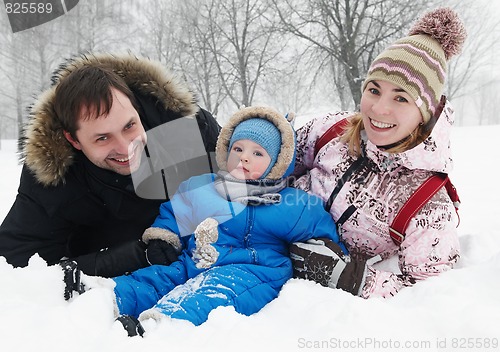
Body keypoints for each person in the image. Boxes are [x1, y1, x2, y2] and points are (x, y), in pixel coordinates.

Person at [65, 106, 346, 336]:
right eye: (238, 148)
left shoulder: (291, 203)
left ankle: (159, 326)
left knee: (208, 295)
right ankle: (105, 297)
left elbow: (321, 232)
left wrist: (331, 259)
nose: (244, 158)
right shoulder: (206, 187)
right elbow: (178, 211)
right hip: (198, 259)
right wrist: (164, 236)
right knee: (162, 277)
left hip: (254, 271)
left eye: (257, 153)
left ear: (277, 162)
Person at [289, 8, 466, 298]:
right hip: (256, 240)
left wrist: (347, 276)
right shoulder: (333, 130)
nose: (379, 108)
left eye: (400, 97)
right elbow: (273, 163)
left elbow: (428, 294)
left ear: (425, 112)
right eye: (374, 90)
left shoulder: (428, 204)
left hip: (302, 306)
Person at [0, 52, 220, 277]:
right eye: (102, 138)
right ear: (73, 140)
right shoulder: (54, 176)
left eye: (129, 126)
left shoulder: (193, 129)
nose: (126, 148)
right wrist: (134, 256)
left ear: (136, 109)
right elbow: (15, 267)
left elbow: (250, 194)